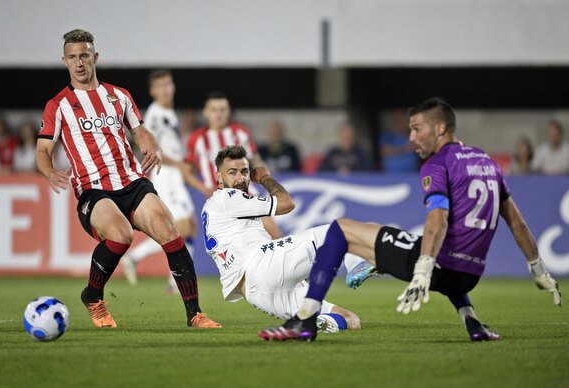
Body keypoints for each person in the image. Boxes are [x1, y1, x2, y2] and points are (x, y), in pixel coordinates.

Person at [259, 97, 562, 342]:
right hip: (469, 273)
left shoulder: (437, 164)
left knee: (339, 229)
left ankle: (305, 321)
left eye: (417, 129)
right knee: (387, 235)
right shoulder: (487, 162)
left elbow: (438, 220)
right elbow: (517, 222)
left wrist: (422, 271)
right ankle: (472, 322)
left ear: (441, 128)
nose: (411, 138)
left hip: (435, 265)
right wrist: (537, 268)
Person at [36, 29, 220, 329]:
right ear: (64, 61)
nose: (79, 63)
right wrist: (49, 171)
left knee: (169, 230)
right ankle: (93, 296)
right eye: (72, 57)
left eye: (84, 56)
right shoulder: (59, 105)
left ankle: (195, 314)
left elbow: (139, 129)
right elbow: (43, 148)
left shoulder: (119, 95)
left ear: (95, 57)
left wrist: (149, 142)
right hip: (93, 189)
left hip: (131, 181)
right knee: (121, 235)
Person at [203, 145, 374, 332]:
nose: (240, 178)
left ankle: (312, 324)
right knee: (340, 230)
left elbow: (271, 235)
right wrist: (265, 177)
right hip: (259, 265)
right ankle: (357, 264)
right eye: (232, 172)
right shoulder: (228, 198)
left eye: (244, 172)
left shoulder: (223, 206)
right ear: (219, 178)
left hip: (257, 294)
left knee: (350, 320)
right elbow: (286, 203)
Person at [121, 70, 197, 293]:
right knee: (180, 228)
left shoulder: (169, 112)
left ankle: (173, 283)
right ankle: (137, 258)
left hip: (175, 175)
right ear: (153, 91)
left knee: (189, 227)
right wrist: (180, 164)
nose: (165, 89)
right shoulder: (154, 115)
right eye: (160, 86)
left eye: (168, 84)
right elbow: (152, 148)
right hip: (166, 175)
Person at [183, 91, 282, 239]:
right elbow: (186, 171)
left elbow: (255, 159)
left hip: (247, 194)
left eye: (222, 109)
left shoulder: (240, 132)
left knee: (274, 235)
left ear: (228, 111)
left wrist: (264, 175)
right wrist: (203, 188)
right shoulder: (197, 139)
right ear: (206, 112)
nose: (219, 114)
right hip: (219, 201)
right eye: (214, 110)